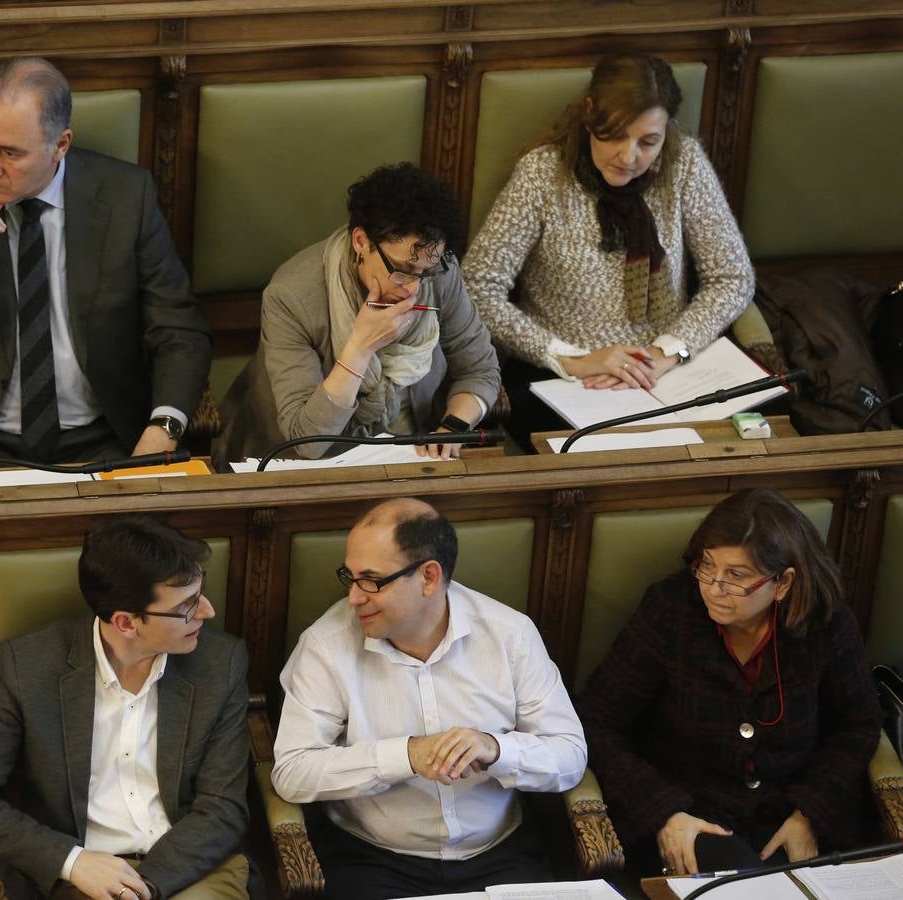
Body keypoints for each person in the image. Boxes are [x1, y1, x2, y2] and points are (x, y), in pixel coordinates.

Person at [0, 57, 211, 486]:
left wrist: (163, 429)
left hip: (108, 441)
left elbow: (180, 331)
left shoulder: (125, 198)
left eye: (10, 152)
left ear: (60, 145)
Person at [271, 498, 587, 900]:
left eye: (371, 580)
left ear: (429, 577)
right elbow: (293, 773)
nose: (353, 597)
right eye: (349, 577)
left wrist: (496, 749)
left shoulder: (510, 634)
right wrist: (405, 756)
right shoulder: (325, 646)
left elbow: (570, 756)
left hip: (502, 855)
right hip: (372, 861)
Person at [0, 516, 253, 899]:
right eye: (187, 607)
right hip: (81, 877)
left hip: (188, 868)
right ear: (125, 623)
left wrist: (143, 888)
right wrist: (70, 861)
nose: (207, 612)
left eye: (200, 593)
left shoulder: (221, 664)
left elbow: (223, 808)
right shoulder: (30, 666)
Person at [577, 489, 882, 878]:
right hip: (693, 817)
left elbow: (858, 725)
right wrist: (664, 812)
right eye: (707, 566)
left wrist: (810, 813)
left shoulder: (827, 622)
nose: (713, 587)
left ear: (783, 583)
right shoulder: (670, 610)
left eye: (736, 576)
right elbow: (596, 721)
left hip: (789, 812)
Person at [462, 53, 754, 447]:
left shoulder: (684, 164)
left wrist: (666, 351)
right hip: (562, 379)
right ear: (589, 115)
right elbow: (477, 286)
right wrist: (570, 359)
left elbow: (732, 277)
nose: (628, 156)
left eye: (648, 141)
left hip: (669, 371)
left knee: (736, 446)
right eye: (614, 135)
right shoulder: (543, 175)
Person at [213, 163, 500, 466]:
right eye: (402, 270)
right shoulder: (291, 297)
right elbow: (306, 441)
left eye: (425, 272)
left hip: (409, 454)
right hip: (303, 466)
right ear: (361, 242)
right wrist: (359, 349)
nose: (414, 288)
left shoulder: (441, 275)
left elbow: (480, 370)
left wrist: (451, 429)